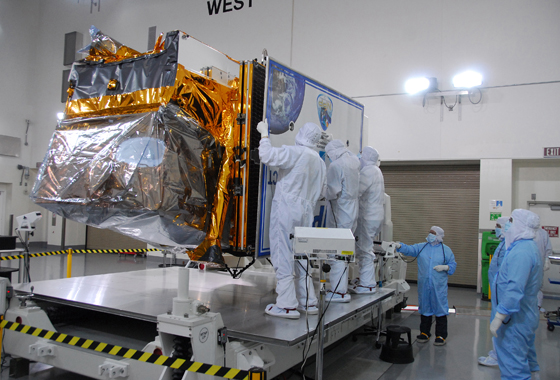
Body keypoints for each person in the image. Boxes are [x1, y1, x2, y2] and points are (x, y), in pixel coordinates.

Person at [257, 119, 327, 319]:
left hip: (287, 209)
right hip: (307, 213)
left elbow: (267, 155)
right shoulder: (320, 163)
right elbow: (322, 193)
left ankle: (287, 305)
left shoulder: (296, 152)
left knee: (283, 253)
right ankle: (309, 302)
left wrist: (264, 134)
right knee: (303, 257)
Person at [490, 209, 543, 380]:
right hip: (519, 316)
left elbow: (514, 288)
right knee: (517, 360)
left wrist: (500, 315)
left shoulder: (522, 252)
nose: (508, 225)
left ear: (520, 225)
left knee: (514, 370)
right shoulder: (521, 247)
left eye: (511, 221)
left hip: (514, 319)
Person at [395, 226, 457, 346]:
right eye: (430, 232)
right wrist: (399, 246)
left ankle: (441, 335)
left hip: (438, 285)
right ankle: (424, 333)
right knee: (425, 307)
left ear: (439, 236)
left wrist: (445, 267)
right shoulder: (421, 247)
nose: (430, 234)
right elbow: (410, 249)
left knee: (440, 307)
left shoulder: (446, 250)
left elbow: (452, 265)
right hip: (424, 285)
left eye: (433, 233)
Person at [324, 139, 360, 302]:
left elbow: (333, 190)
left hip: (341, 211)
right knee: (345, 250)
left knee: (336, 250)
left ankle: (338, 291)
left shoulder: (336, 165)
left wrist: (321, 193)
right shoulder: (354, 161)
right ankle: (341, 288)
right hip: (352, 210)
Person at [350, 147, 384, 294]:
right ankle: (365, 279)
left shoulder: (368, 171)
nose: (359, 157)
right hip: (375, 215)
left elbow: (357, 191)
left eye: (361, 154)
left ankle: (367, 283)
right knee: (366, 246)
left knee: (365, 249)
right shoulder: (377, 170)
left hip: (368, 216)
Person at [478, 216, 509, 367]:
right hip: (498, 292)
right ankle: (498, 355)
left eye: (497, 226)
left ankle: (499, 357)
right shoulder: (503, 244)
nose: (495, 229)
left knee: (502, 327)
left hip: (502, 293)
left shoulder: (509, 246)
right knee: (499, 327)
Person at [534, 225, 552, 312]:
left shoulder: (543, 233)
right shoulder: (523, 233)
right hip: (525, 263)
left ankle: (537, 305)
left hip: (539, 264)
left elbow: (548, 249)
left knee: (538, 285)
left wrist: (546, 260)